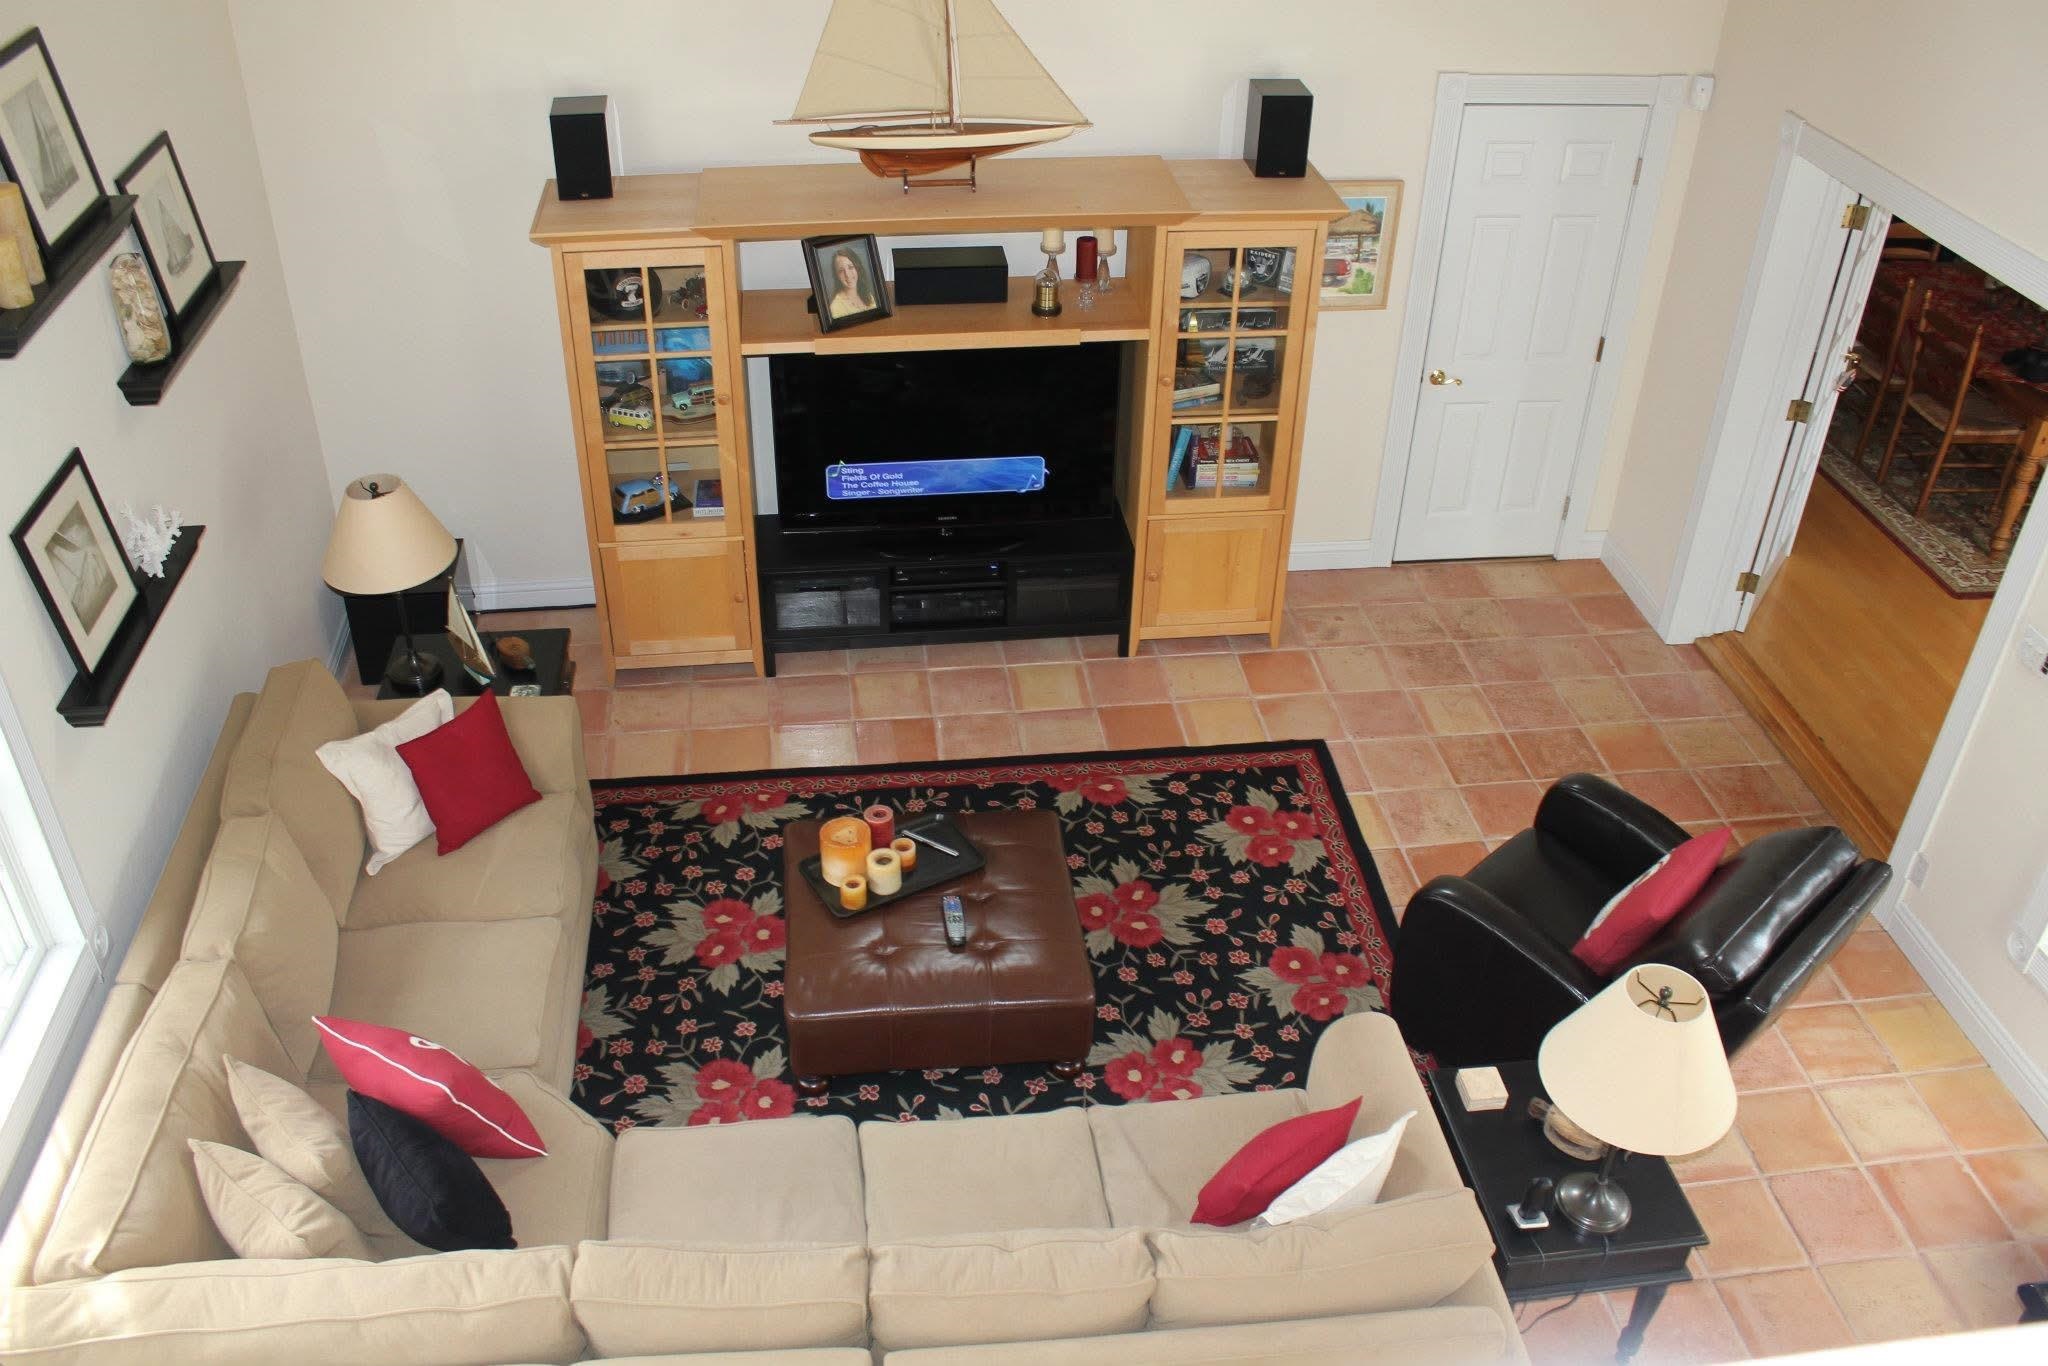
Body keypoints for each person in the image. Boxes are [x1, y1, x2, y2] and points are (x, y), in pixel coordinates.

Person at [824, 247, 876, 320]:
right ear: (837, 276)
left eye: (850, 267)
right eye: (841, 271)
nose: (847, 275)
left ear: (857, 268)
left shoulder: (868, 296)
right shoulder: (835, 308)